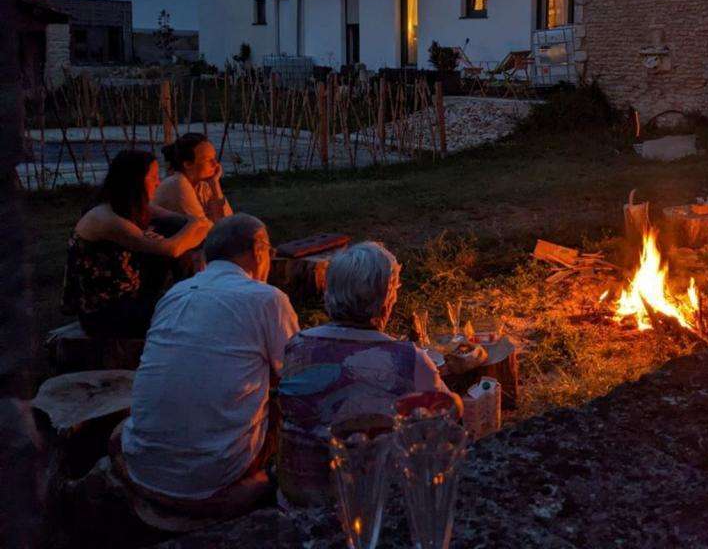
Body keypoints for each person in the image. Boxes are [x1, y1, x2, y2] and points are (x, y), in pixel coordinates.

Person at [119, 214, 299, 518]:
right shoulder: (267, 299)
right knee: (286, 399)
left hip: (144, 469)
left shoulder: (173, 295)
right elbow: (298, 375)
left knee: (117, 434)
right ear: (259, 251)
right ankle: (266, 479)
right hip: (214, 477)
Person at [277, 241, 457, 507]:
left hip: (299, 499)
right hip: (373, 503)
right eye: (394, 289)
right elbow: (446, 423)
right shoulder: (409, 359)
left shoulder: (298, 346)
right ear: (387, 297)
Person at [64, 149, 211, 338]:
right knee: (190, 311)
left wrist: (193, 226)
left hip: (131, 296)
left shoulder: (132, 207)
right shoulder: (105, 217)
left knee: (172, 228)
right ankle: (194, 300)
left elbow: (182, 222)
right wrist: (195, 225)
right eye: (153, 177)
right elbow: (172, 249)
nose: (158, 182)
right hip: (105, 312)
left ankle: (195, 294)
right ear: (135, 180)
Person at [154, 132, 233, 223]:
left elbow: (229, 222)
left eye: (214, 158)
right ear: (187, 164)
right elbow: (202, 227)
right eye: (208, 160)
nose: (215, 164)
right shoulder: (177, 183)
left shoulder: (203, 185)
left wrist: (215, 185)